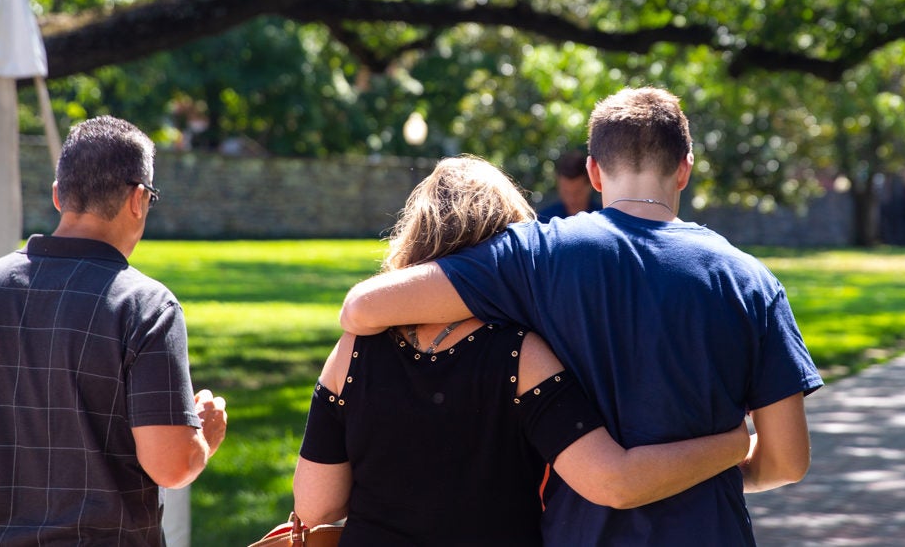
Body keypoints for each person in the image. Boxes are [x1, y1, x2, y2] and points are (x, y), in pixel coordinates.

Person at [339, 87, 821, 545]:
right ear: (684, 169)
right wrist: (715, 456)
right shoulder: (751, 281)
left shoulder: (539, 256)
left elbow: (362, 307)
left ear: (593, 172)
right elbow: (786, 461)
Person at [293, 155, 750, 544]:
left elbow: (315, 506)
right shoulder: (521, 355)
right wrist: (735, 443)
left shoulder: (354, 350)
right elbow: (613, 481)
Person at [0, 116, 227, 546]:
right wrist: (202, 439)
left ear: (58, 195)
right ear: (138, 199)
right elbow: (171, 467)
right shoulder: (146, 307)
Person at [537, 149, 603, 221]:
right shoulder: (545, 222)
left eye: (578, 192)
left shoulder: (603, 218)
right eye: (566, 192)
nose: (571, 199)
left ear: (591, 184)